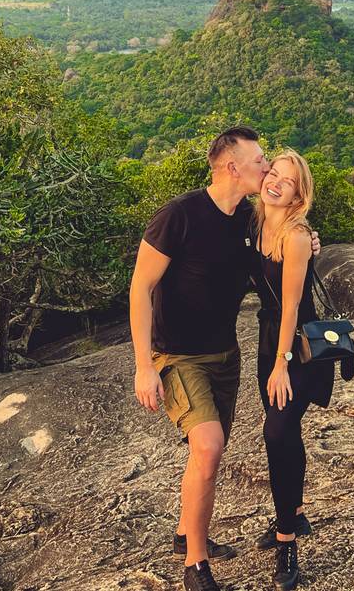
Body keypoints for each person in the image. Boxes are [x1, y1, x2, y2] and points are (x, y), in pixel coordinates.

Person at [129, 127, 319, 591]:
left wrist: (311, 245)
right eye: (261, 162)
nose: (267, 168)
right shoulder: (179, 215)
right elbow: (140, 286)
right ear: (233, 167)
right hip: (178, 354)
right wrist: (143, 365)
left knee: (206, 452)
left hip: (226, 356)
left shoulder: (245, 222)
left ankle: (184, 534)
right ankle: (196, 564)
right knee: (210, 446)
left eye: (275, 168)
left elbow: (283, 249)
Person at [251, 150, 335, 591]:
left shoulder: (296, 236)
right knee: (283, 431)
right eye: (273, 173)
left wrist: (281, 364)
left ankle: (286, 542)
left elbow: (290, 307)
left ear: (299, 194)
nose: (276, 182)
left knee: (277, 431)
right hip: (270, 344)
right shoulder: (254, 225)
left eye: (288, 180)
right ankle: (294, 513)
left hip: (298, 347)